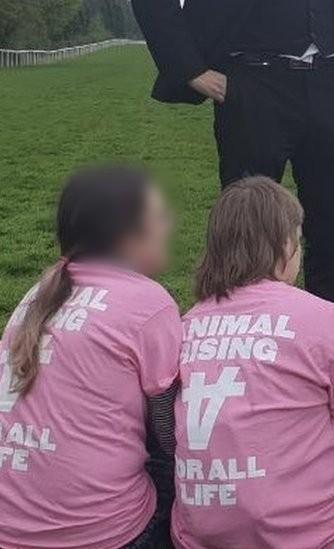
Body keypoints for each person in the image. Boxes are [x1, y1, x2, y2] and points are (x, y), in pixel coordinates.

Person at [171, 177, 334, 548]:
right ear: (284, 244)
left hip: (202, 534)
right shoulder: (323, 318)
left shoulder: (186, 324)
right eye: (298, 241)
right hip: (312, 534)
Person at [132, 0, 334, 308]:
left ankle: (329, 330)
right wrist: (188, 68)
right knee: (247, 223)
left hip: (331, 83)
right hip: (251, 84)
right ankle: (244, 330)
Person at [0, 166, 181, 548]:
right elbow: (168, 432)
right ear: (127, 237)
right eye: (160, 217)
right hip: (99, 533)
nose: (170, 226)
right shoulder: (149, 303)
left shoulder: (38, 293)